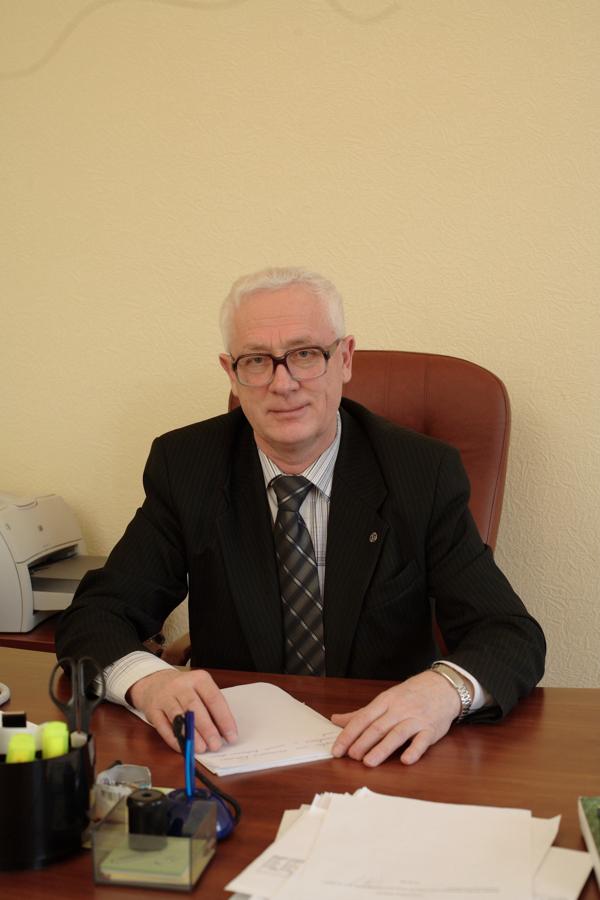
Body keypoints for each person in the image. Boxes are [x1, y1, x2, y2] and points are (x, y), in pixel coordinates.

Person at [56, 267, 545, 767]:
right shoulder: (187, 466)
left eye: (305, 354)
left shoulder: (421, 472)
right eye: (256, 361)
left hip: (381, 752)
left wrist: (444, 692)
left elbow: (509, 635)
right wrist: (148, 681)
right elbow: (98, 615)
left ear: (345, 359)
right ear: (231, 373)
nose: (283, 383)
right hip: (234, 750)